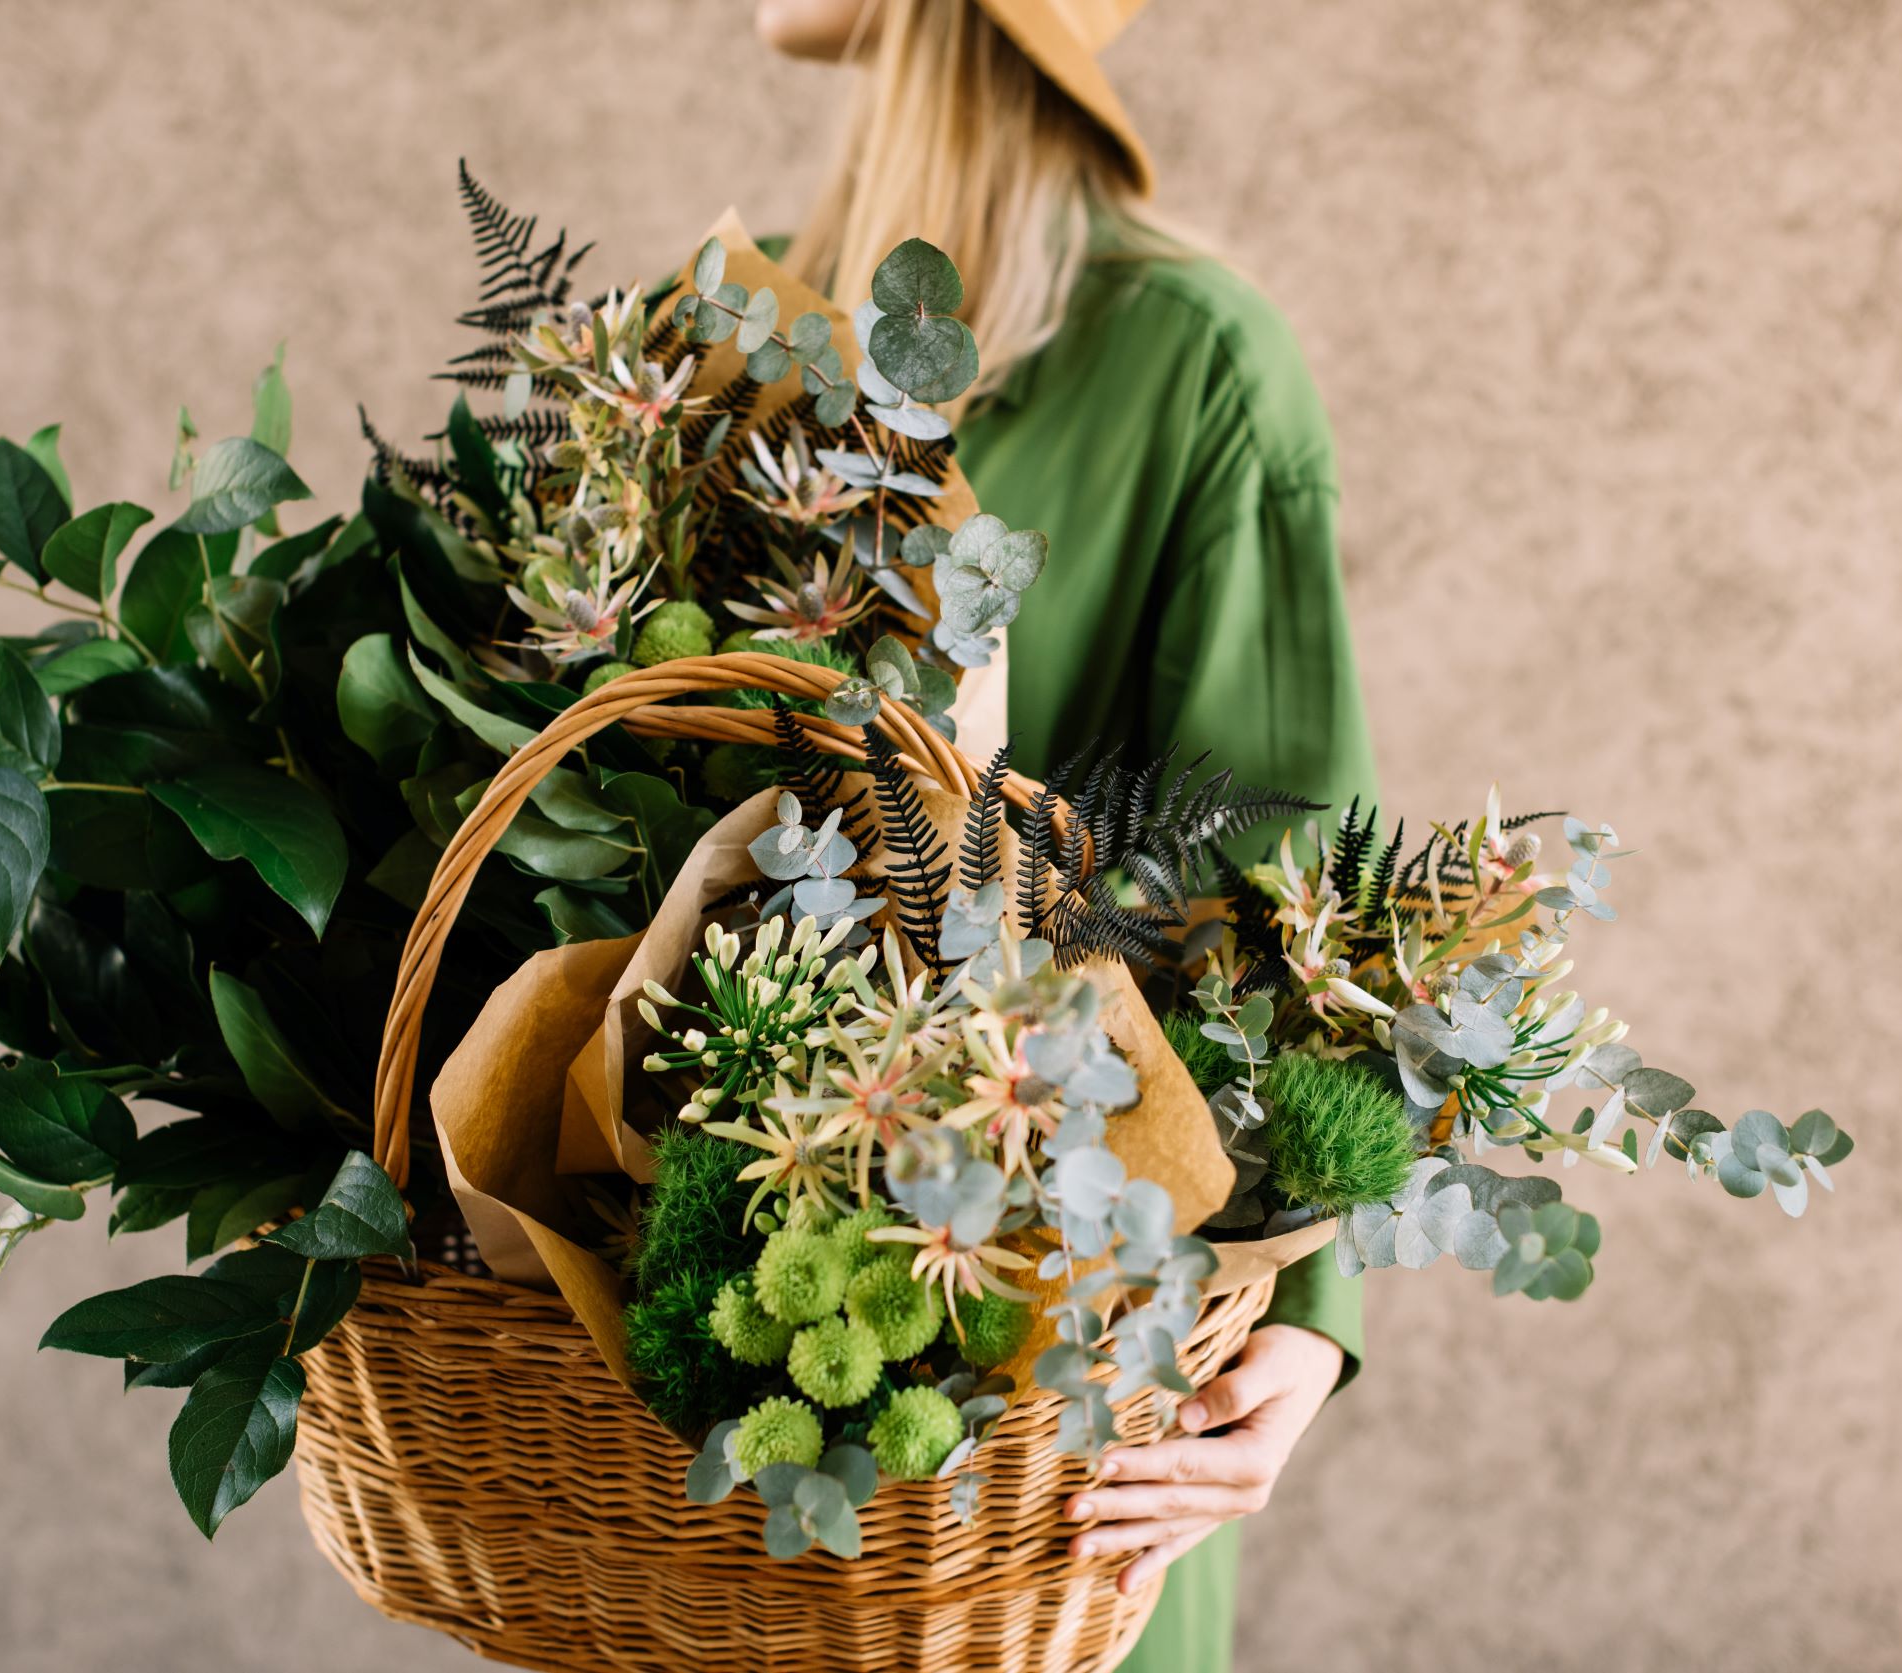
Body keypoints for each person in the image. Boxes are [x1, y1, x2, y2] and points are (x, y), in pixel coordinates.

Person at [755, 1, 1377, 1667]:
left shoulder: (1192, 364)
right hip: (696, 1431)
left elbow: (1283, 897)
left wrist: (1302, 1322)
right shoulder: (721, 326)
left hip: (1058, 1424)